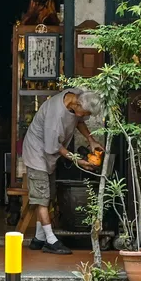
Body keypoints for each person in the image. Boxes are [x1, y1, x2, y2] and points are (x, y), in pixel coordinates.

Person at [21, 88, 103, 254]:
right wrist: (78, 161)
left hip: (48, 153)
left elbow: (79, 121)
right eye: (84, 112)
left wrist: (91, 140)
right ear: (77, 104)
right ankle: (51, 240)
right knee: (42, 198)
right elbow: (55, 147)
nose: (82, 116)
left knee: (48, 195)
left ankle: (39, 238)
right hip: (37, 152)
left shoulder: (76, 96)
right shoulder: (56, 116)